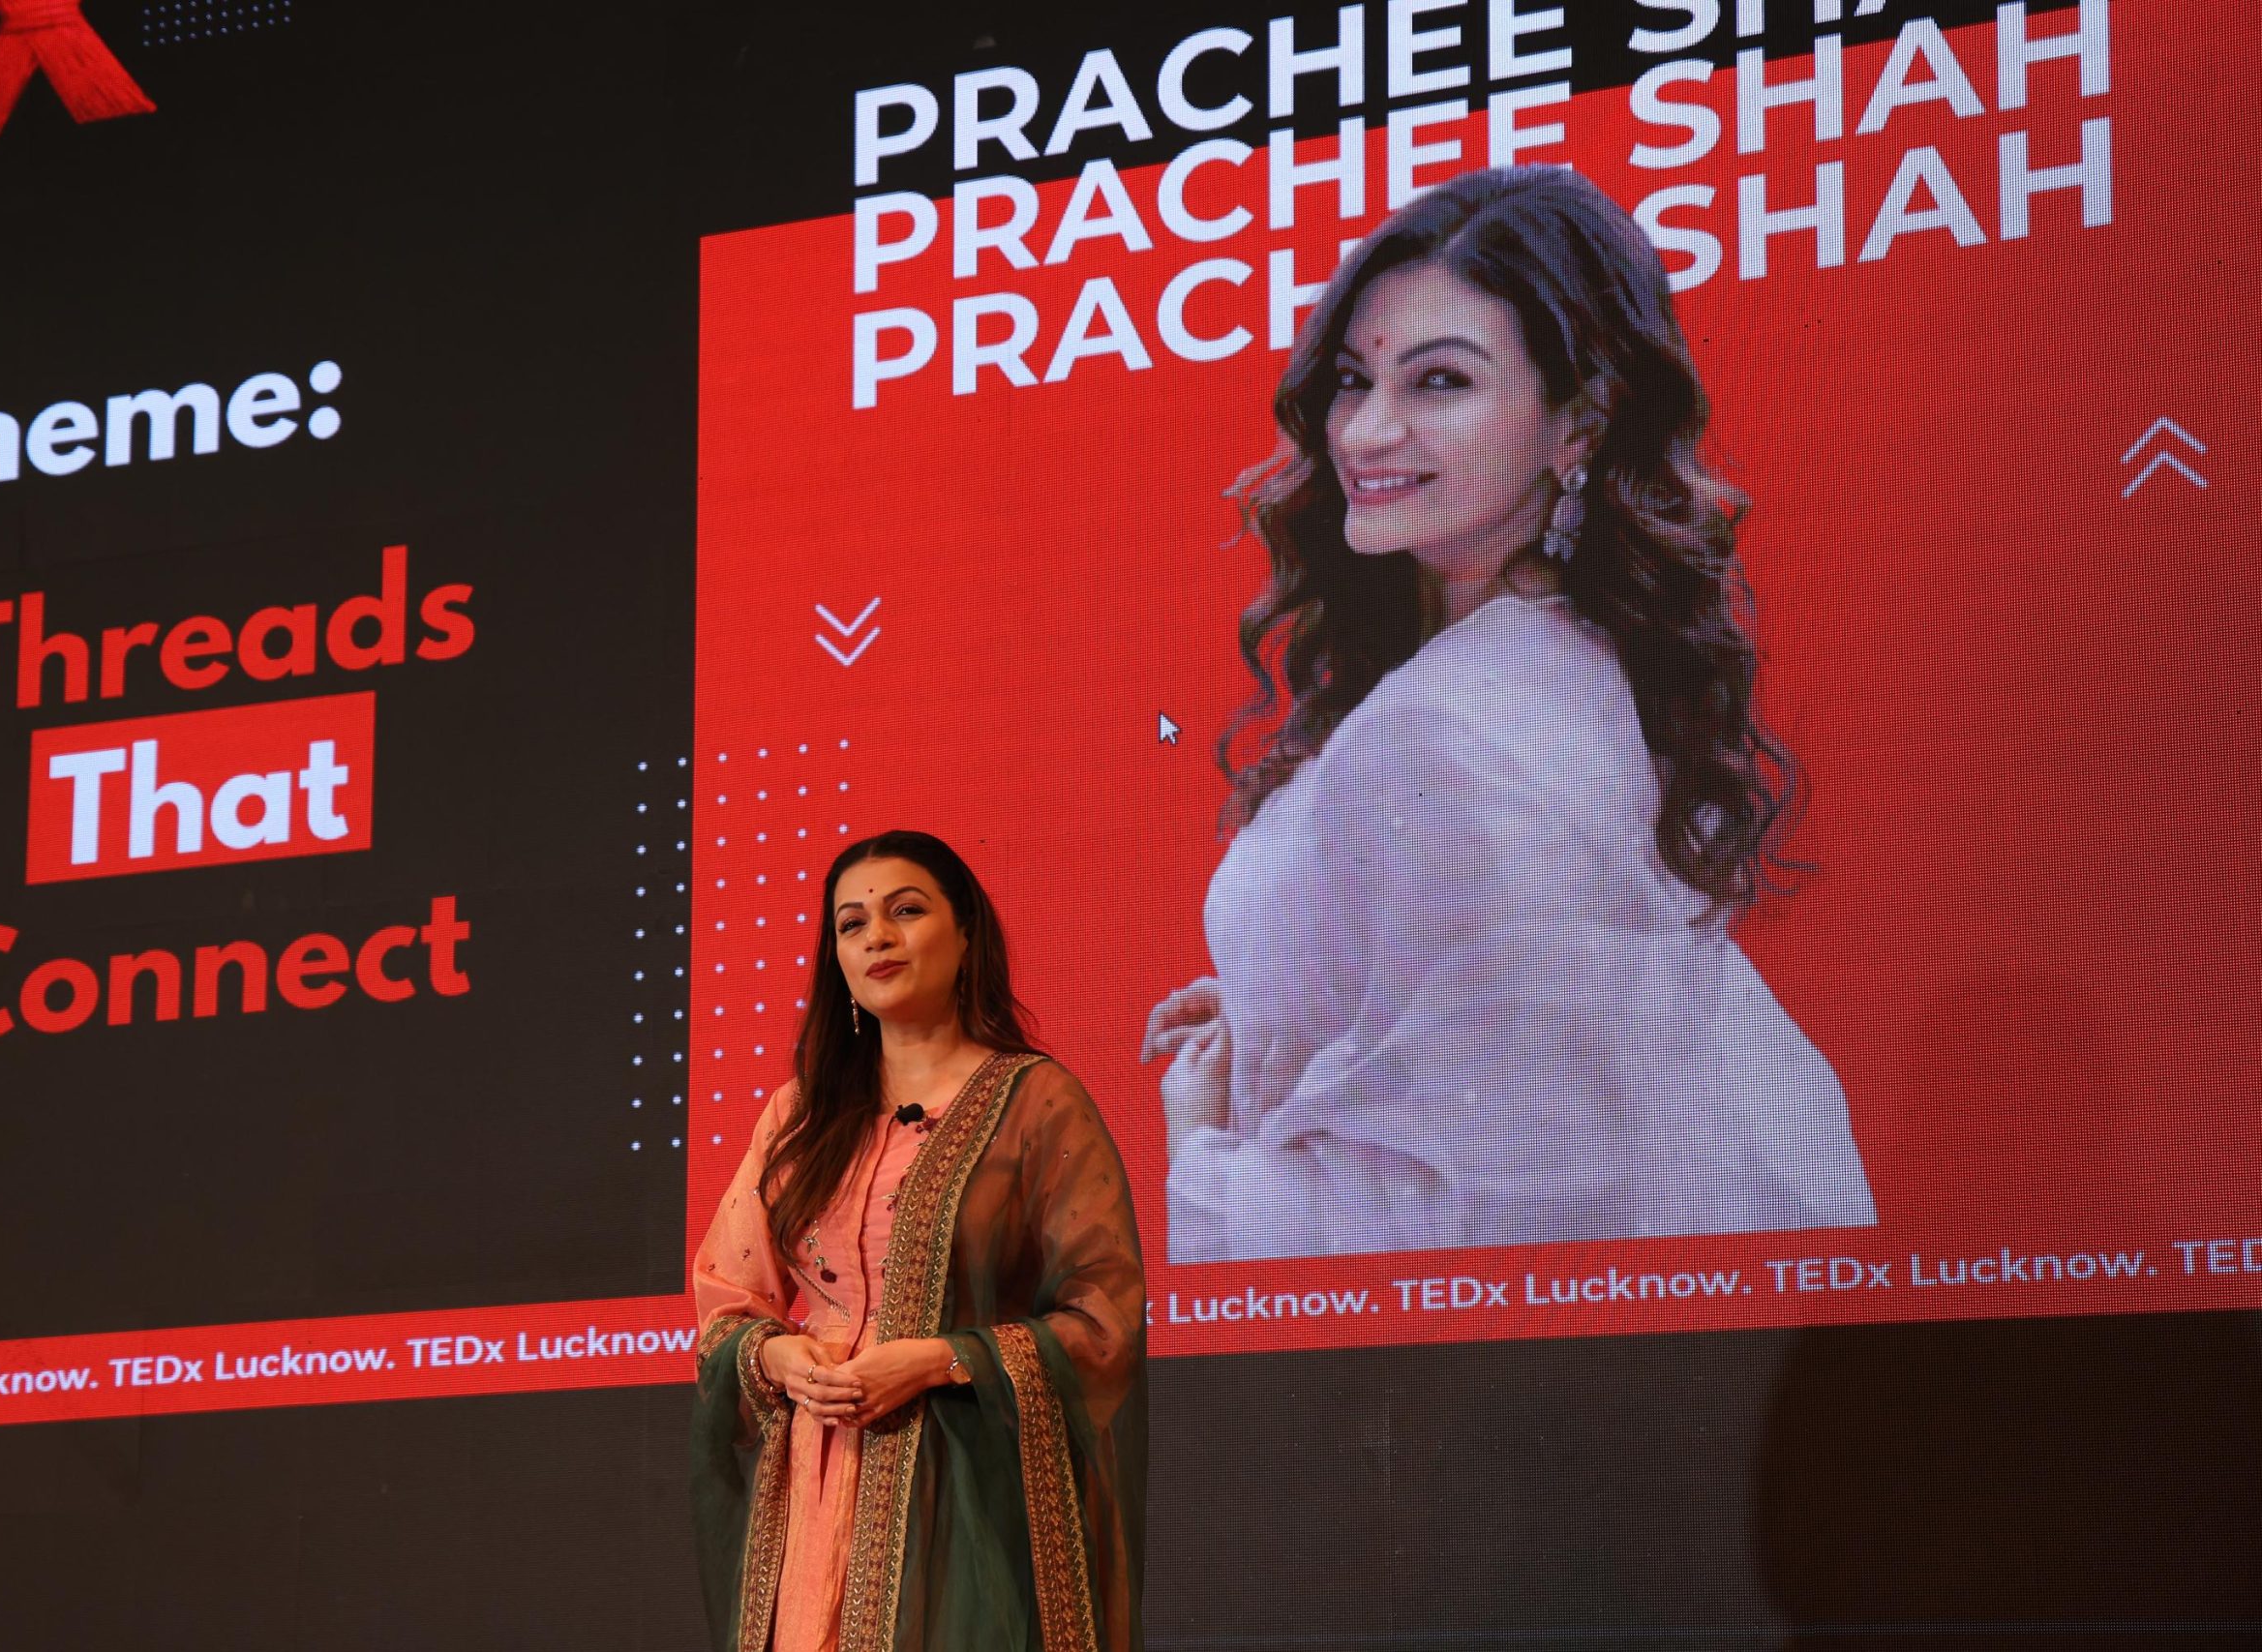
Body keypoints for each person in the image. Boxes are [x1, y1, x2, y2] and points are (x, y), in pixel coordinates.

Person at [1141, 165, 1877, 1264]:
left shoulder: (1453, 731)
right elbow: (1548, 1027)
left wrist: (1199, 1148)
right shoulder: (1574, 654)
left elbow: (1488, 1211)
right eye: (1353, 381)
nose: (1366, 432)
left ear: (1577, 423)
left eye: (1440, 382)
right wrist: (1294, 1007)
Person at [692, 829, 1146, 1652]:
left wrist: (940, 1359)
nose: (878, 936)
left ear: (966, 934)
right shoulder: (799, 1114)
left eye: (906, 910)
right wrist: (780, 1356)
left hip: (968, 1488)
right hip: (818, 1479)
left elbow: (1104, 1318)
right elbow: (730, 1299)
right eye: (851, 923)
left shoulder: (1036, 1102)